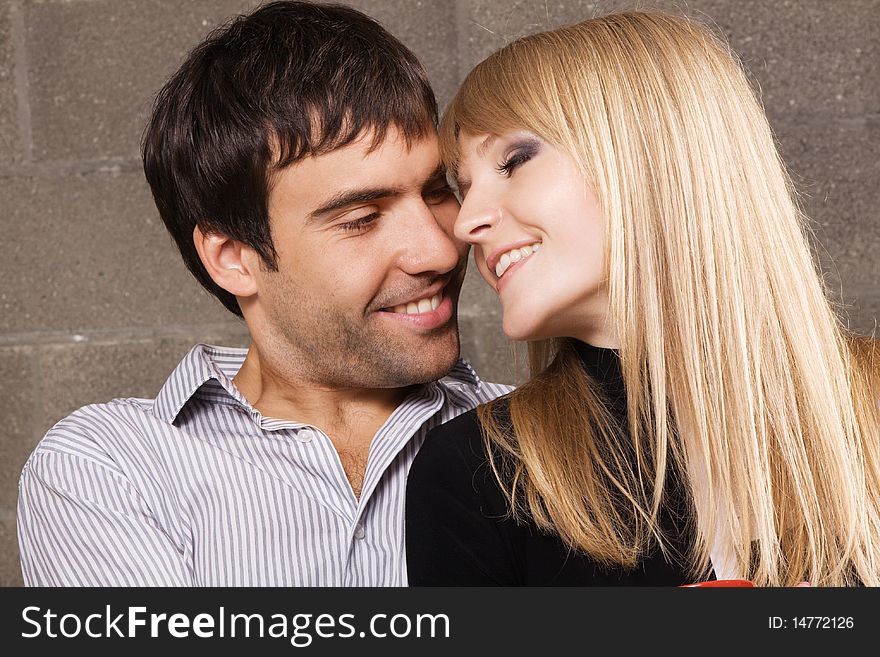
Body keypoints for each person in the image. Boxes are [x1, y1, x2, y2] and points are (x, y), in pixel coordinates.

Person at [16, 0, 509, 586]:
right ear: (234, 259)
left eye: (434, 192)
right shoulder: (109, 470)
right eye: (361, 218)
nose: (439, 249)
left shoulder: (548, 443)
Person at [405, 10, 880, 587]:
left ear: (652, 152)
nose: (467, 223)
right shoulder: (480, 473)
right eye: (464, 188)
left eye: (514, 161)